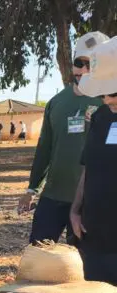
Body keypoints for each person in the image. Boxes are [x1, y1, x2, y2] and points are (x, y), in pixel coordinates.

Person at [17, 32, 108, 243]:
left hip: (91, 200)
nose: (84, 70)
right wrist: (32, 189)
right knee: (38, 255)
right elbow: (44, 149)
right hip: (53, 195)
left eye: (91, 64)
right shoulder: (56, 102)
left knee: (85, 268)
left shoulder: (109, 104)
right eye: (79, 63)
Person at [71, 35, 117, 293]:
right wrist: (76, 210)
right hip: (94, 233)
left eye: (114, 92)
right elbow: (89, 166)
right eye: (103, 93)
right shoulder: (101, 117)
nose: (108, 99)